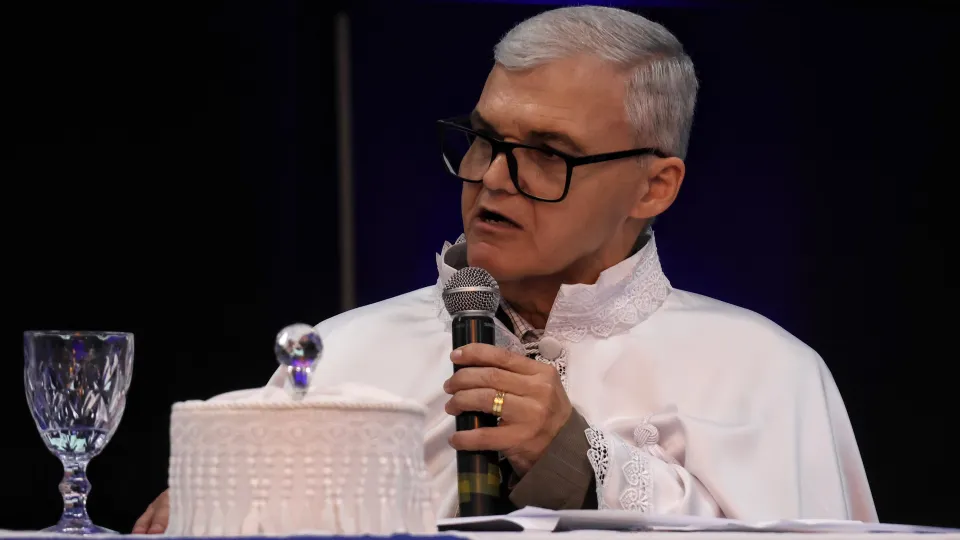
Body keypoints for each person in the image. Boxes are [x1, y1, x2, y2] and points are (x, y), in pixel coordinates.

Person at [134, 5, 877, 533]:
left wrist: (582, 461)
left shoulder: (765, 373)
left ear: (655, 187)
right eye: (484, 140)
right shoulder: (342, 352)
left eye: (548, 153)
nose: (491, 177)